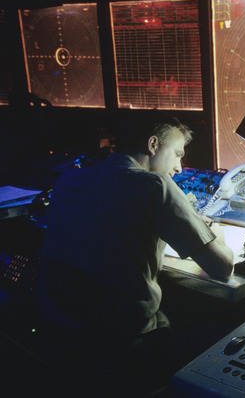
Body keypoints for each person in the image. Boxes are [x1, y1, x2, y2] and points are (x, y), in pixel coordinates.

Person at [36, 112, 234, 395]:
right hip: (125, 346)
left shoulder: (69, 179)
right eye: (177, 154)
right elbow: (222, 268)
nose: (179, 167)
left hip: (62, 336)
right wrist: (217, 232)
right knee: (230, 333)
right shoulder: (155, 185)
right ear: (153, 145)